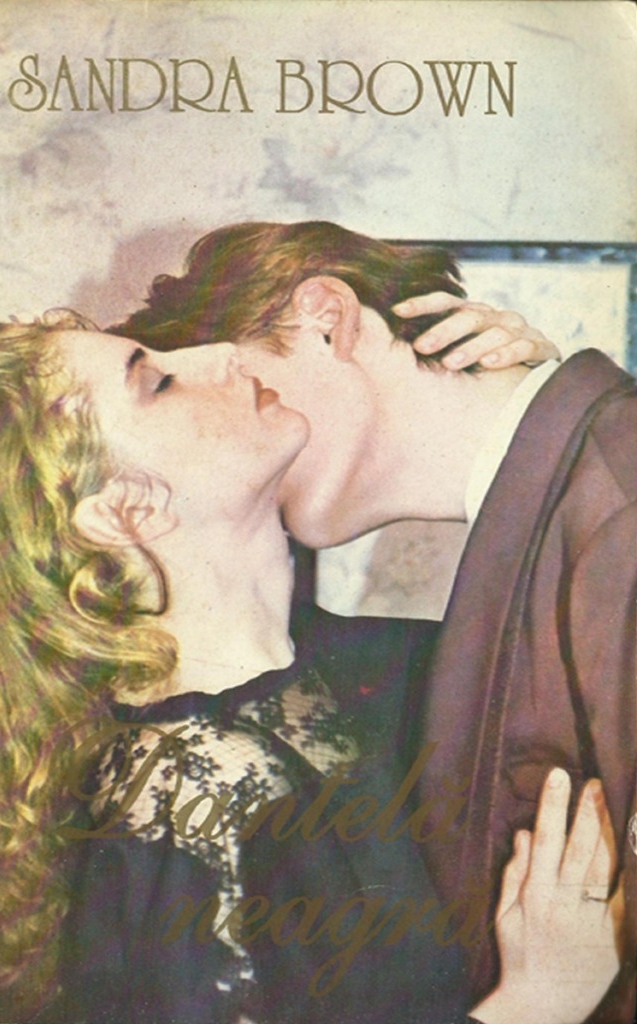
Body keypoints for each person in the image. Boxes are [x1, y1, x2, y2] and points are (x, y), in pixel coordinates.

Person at [0, 312, 622, 1024]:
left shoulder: (362, 666)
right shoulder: (182, 794)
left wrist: (533, 405)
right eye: (157, 381)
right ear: (122, 509)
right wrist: (533, 1005)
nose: (221, 354)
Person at [110, 219, 637, 1022]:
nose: (236, 420)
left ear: (328, 319)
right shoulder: (570, 504)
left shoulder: (615, 508)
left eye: (241, 380)